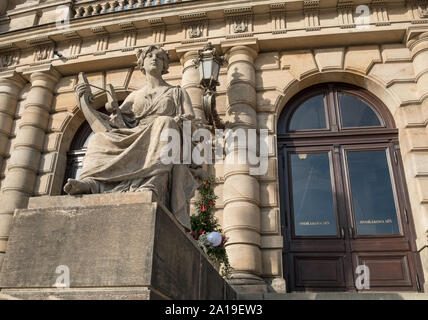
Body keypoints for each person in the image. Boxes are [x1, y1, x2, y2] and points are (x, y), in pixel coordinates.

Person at [63, 45, 200, 230]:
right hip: (138, 135)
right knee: (98, 139)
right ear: (142, 63)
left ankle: (153, 185)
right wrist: (86, 104)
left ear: (165, 65)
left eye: (159, 58)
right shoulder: (135, 96)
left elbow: (190, 120)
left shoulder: (177, 92)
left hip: (163, 133)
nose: (154, 60)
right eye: (149, 56)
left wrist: (177, 120)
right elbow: (116, 125)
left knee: (164, 123)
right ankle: (92, 183)